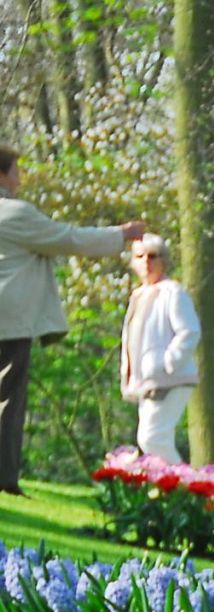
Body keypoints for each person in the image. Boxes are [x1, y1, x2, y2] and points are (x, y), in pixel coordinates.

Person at [0, 146, 145, 495]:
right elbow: (69, 239)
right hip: (8, 322)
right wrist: (121, 234)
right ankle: (4, 478)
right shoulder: (15, 214)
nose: (20, 177)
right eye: (15, 170)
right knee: (7, 399)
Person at [118, 233, 199, 463]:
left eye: (153, 256)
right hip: (147, 381)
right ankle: (163, 490)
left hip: (171, 378)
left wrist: (167, 363)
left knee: (153, 439)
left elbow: (189, 331)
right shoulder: (139, 295)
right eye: (140, 256)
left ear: (163, 260)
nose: (146, 262)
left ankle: (186, 486)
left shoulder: (173, 292)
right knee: (150, 441)